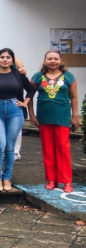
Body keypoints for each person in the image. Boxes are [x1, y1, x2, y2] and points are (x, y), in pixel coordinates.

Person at [28, 51, 79, 193]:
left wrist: (75, 117)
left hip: (62, 117)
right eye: (49, 58)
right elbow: (29, 96)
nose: (52, 61)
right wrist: (31, 114)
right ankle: (52, 180)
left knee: (63, 148)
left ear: (60, 61)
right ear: (44, 61)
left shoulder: (69, 77)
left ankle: (67, 181)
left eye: (55, 59)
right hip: (44, 117)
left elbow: (74, 98)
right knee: (48, 149)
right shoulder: (37, 77)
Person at [0, 48, 34, 191]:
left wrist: (25, 102)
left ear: (12, 60)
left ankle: (8, 178)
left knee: (10, 147)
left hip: (15, 111)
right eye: (2, 57)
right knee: (0, 145)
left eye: (8, 57)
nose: (5, 59)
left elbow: (31, 89)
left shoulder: (17, 74)